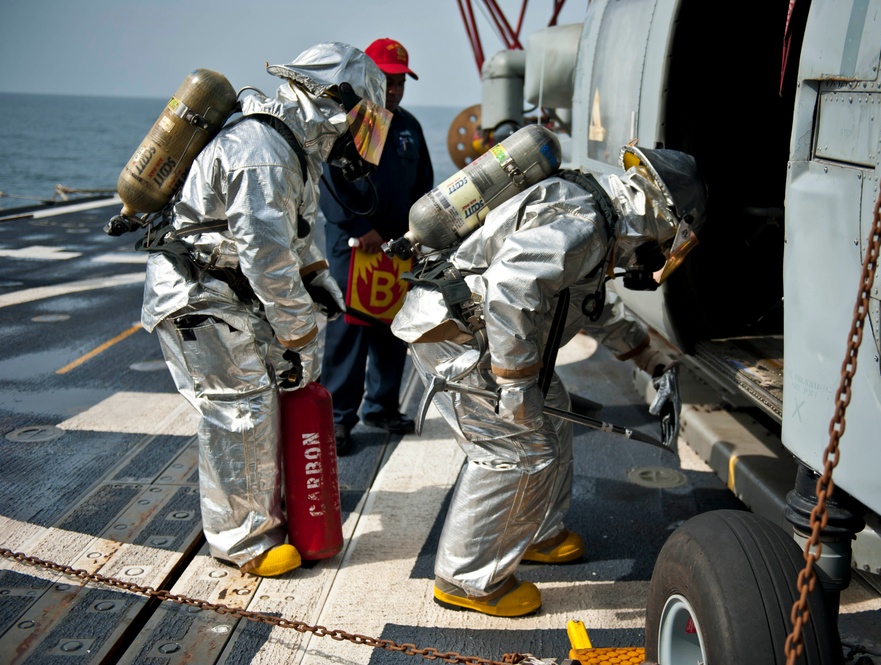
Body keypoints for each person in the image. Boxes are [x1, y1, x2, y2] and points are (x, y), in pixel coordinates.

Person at [392, 145, 706, 616]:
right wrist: (516, 384)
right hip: (458, 338)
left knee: (553, 419)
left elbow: (583, 301)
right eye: (668, 241)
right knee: (516, 451)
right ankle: (466, 579)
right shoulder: (587, 221)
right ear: (664, 218)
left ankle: (537, 531)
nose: (656, 255)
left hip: (481, 334)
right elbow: (511, 287)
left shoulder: (595, 210)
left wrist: (646, 353)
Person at [140, 43, 390, 578]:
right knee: (241, 405)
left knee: (263, 398)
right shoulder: (265, 151)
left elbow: (294, 239)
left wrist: (320, 284)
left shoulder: (289, 148)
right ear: (335, 104)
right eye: (364, 118)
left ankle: (265, 517)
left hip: (224, 292)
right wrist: (300, 335)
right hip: (198, 295)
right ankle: (243, 541)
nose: (363, 136)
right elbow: (266, 257)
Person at [319, 38, 434, 454]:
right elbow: (330, 185)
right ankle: (337, 418)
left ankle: (381, 405)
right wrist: (359, 226)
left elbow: (423, 188)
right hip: (355, 248)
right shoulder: (350, 124)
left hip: (397, 249)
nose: (394, 88)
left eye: (400, 80)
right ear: (367, 77)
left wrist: (420, 234)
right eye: (386, 79)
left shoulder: (408, 128)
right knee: (350, 331)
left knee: (392, 325)